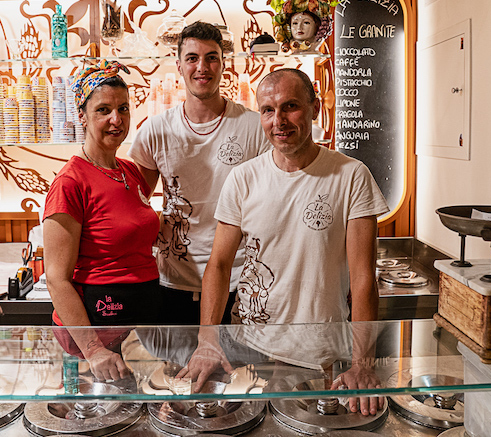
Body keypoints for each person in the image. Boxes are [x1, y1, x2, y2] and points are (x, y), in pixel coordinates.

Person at [183, 67, 389, 414]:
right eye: (267, 110)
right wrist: (207, 339)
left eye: (290, 106)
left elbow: (363, 278)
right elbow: (218, 265)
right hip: (247, 345)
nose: (279, 120)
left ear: (315, 109)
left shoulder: (351, 175)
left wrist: (362, 363)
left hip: (317, 350)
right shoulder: (243, 179)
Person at [129, 21, 271, 324]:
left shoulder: (254, 127)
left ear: (224, 64)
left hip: (240, 280)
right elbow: (134, 205)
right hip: (174, 281)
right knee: (176, 370)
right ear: (179, 66)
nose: (201, 67)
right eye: (192, 58)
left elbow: (272, 205)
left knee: (238, 369)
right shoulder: (156, 130)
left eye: (211, 57)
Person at [43, 60, 161, 381]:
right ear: (82, 116)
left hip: (139, 327)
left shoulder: (130, 171)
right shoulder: (70, 182)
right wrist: (93, 349)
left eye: (123, 109)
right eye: (103, 110)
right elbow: (56, 278)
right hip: (99, 332)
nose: (116, 119)